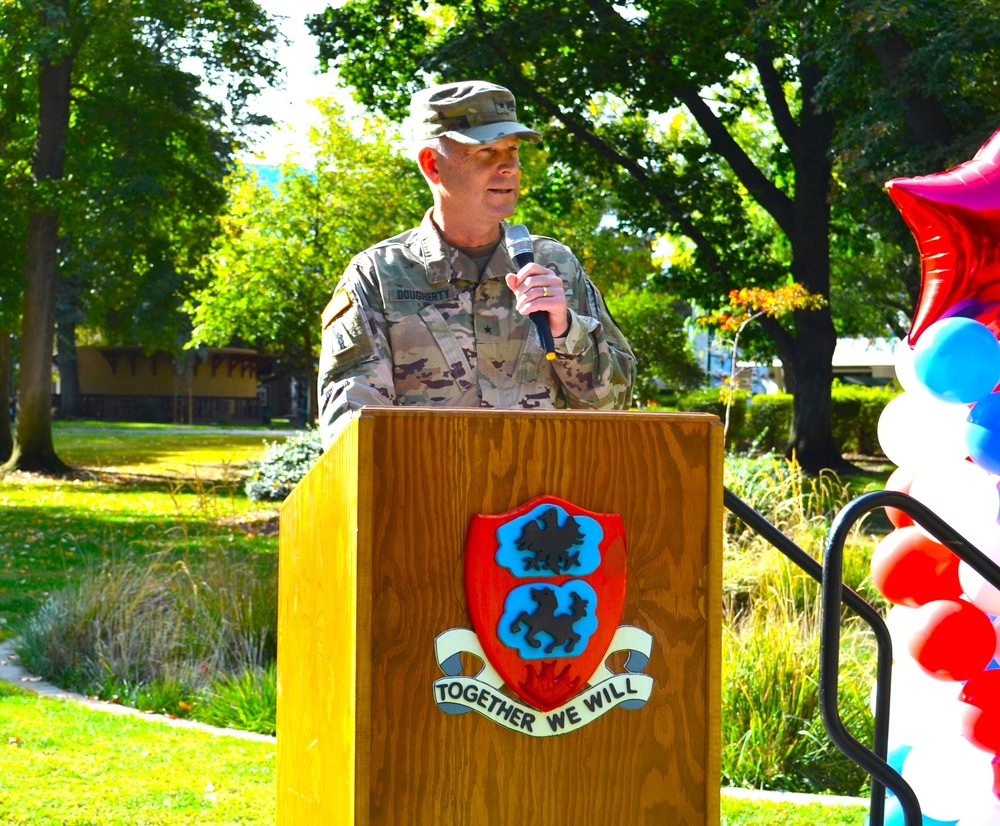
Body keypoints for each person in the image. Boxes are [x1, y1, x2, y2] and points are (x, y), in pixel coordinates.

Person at [317, 79, 636, 448]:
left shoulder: (555, 266)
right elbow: (352, 431)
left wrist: (566, 332)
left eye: (512, 150)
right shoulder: (377, 276)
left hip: (543, 500)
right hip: (429, 497)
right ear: (432, 165)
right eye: (485, 151)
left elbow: (614, 405)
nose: (508, 167)